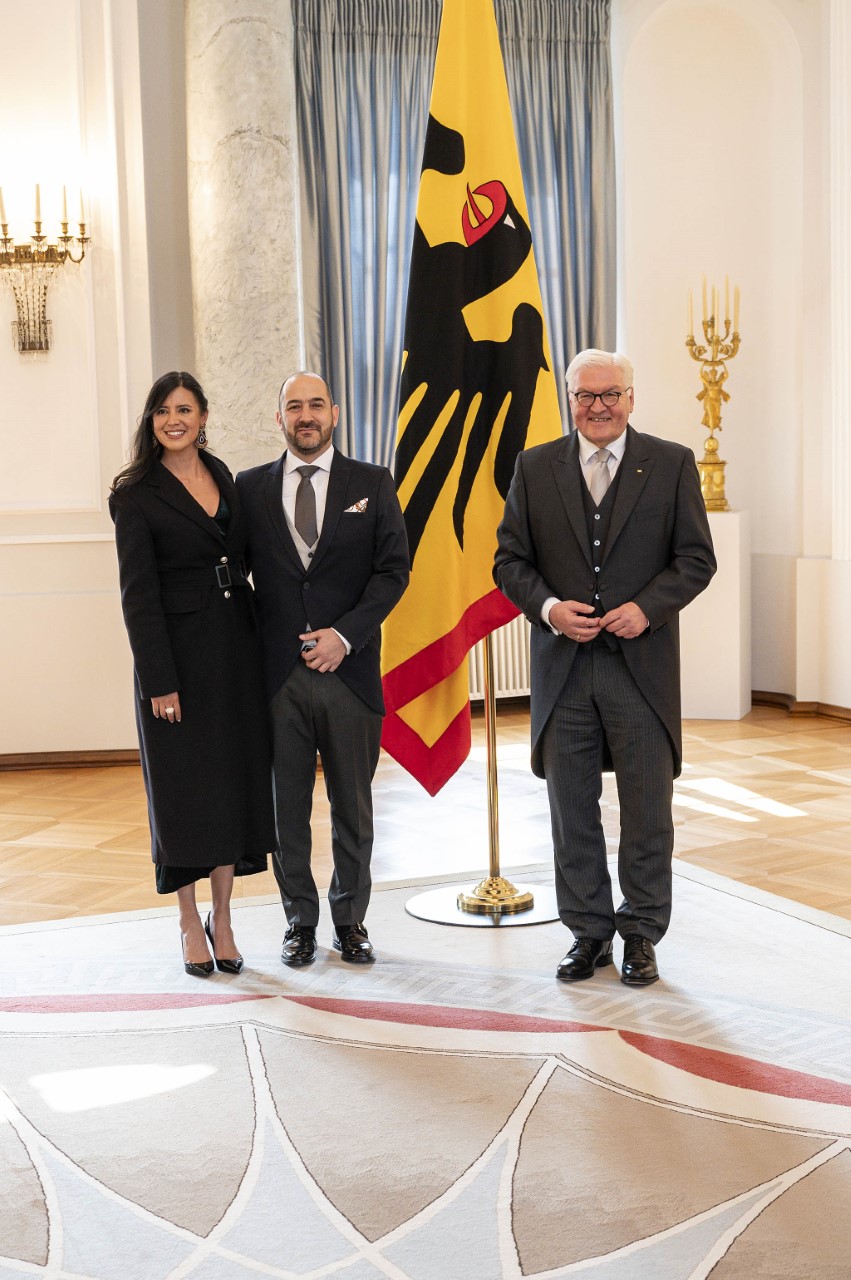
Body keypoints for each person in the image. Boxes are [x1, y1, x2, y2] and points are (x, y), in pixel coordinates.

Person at [494, 349, 716, 986]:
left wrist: (647, 609)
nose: (598, 406)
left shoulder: (671, 464)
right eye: (586, 396)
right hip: (563, 670)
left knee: (647, 811)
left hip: (640, 671)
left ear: (631, 397)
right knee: (572, 810)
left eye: (610, 394)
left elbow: (696, 560)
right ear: (570, 399)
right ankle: (587, 933)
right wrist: (548, 608)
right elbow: (510, 562)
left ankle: (641, 934)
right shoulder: (535, 467)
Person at [236, 372, 409, 967]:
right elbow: (234, 578)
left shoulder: (372, 483)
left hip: (350, 672)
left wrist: (344, 636)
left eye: (315, 405)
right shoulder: (250, 488)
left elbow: (393, 573)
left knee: (352, 805)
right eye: (293, 406)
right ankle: (299, 922)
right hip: (278, 677)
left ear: (334, 412)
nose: (305, 415)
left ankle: (351, 919)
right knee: (286, 808)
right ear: (278, 417)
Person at [110, 372, 276, 977]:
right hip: (175, 661)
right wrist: (159, 680)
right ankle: (187, 920)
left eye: (184, 409)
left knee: (233, 783)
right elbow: (138, 597)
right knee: (183, 793)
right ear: (151, 421)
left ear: (204, 416)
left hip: (236, 652)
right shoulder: (135, 494)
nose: (172, 419)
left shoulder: (226, 477)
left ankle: (224, 917)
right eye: (161, 410)